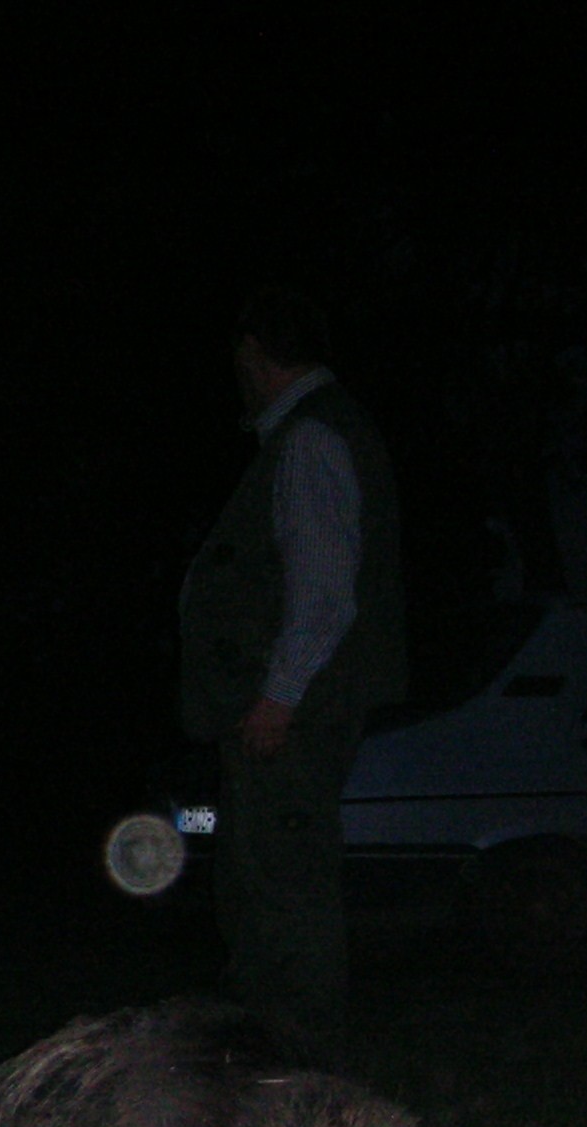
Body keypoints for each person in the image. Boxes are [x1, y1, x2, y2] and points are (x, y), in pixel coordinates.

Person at [179, 288, 404, 1059]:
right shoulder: (310, 434)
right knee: (264, 881)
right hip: (288, 713)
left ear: (253, 352)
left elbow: (324, 591)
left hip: (292, 717)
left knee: (283, 889)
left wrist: (278, 697)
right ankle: (271, 1057)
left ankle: (293, 1065)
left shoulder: (310, 441)